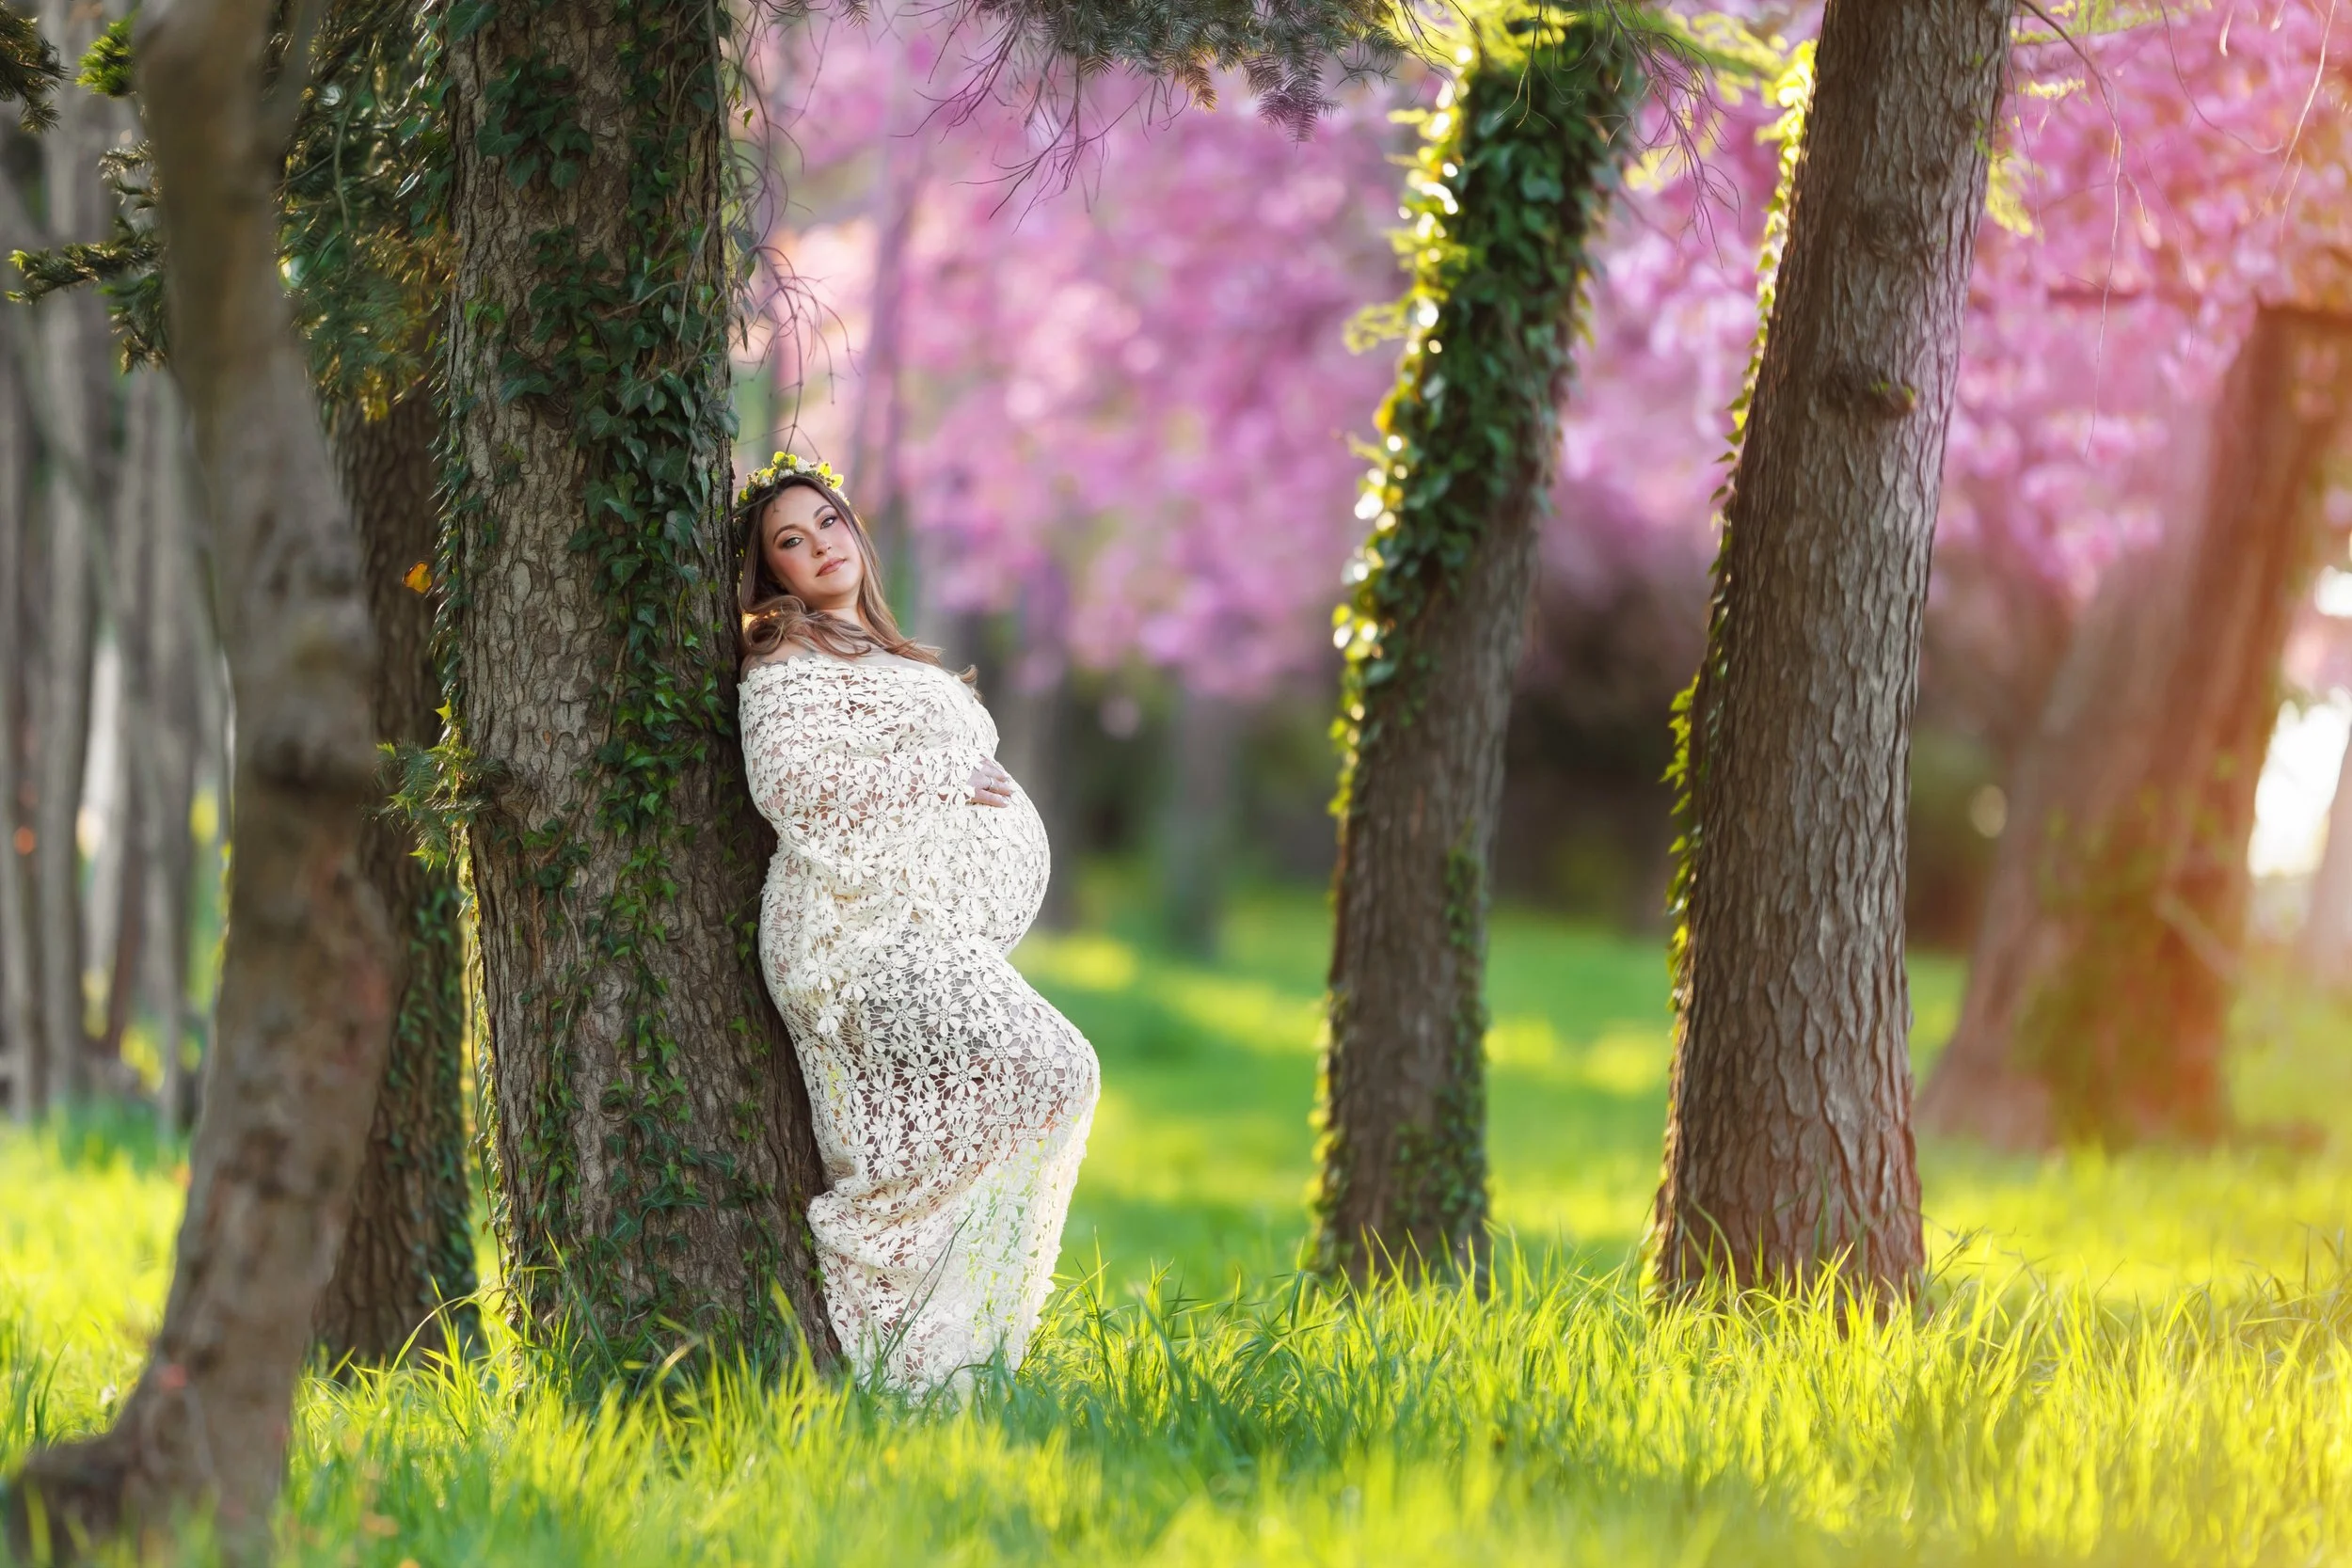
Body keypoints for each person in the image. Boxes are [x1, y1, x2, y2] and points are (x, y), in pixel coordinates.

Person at [734, 452, 1099, 1394]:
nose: (818, 545)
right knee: (1051, 1068)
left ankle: (952, 1358)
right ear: (770, 570)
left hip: (924, 928)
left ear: (856, 531)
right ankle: (873, 1257)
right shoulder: (785, 656)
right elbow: (792, 786)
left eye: (827, 523)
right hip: (846, 934)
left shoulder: (892, 655)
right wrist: (943, 777)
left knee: (1040, 1085)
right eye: (790, 540)